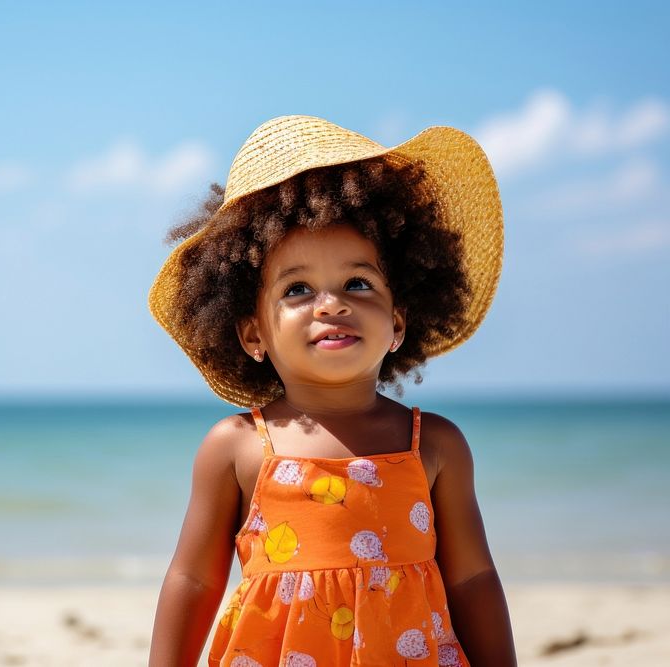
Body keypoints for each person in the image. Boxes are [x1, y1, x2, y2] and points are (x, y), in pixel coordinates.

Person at [148, 116, 517, 666]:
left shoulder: (434, 444)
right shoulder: (239, 447)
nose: (330, 304)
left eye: (358, 283)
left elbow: (472, 578)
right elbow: (194, 579)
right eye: (298, 288)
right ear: (253, 333)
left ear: (397, 322)